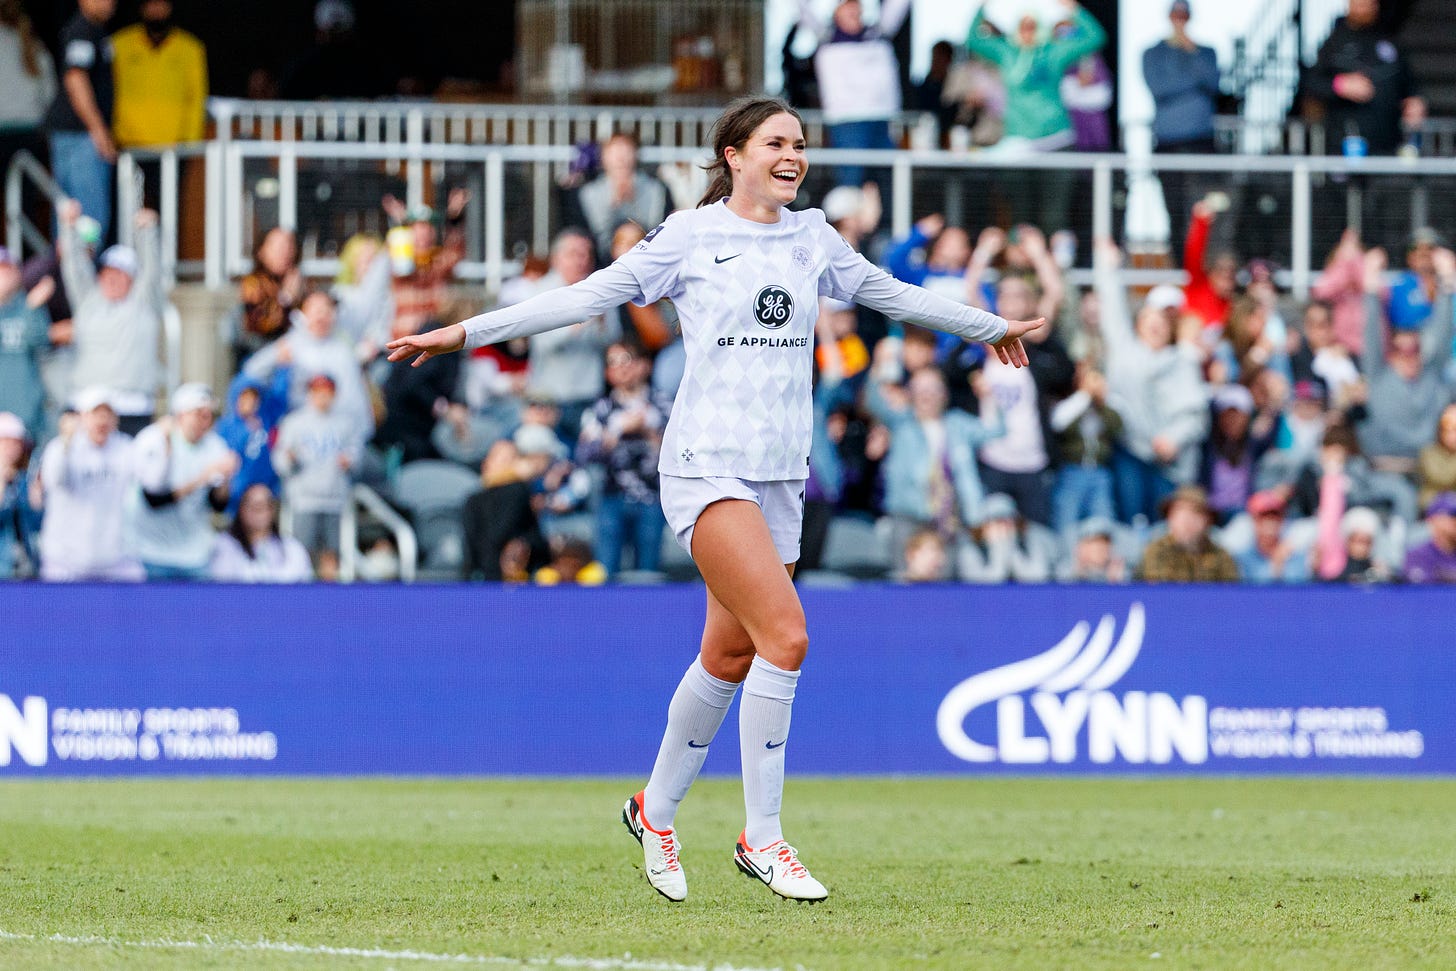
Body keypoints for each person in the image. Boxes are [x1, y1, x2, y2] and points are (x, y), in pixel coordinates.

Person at [386, 96, 1042, 904]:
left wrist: (985, 325)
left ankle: (653, 811)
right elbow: (584, 297)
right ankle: (761, 837)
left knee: (729, 655)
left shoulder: (812, 239)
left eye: (800, 143)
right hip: (706, 469)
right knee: (788, 636)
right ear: (734, 155)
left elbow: (893, 294)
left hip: (779, 476)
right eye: (776, 142)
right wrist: (462, 333)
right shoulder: (690, 238)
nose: (793, 155)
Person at [966, 0, 1106, 233]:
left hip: (1056, 141)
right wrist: (985, 5)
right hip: (1019, 143)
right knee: (1021, 216)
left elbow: (1095, 37)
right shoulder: (1006, 52)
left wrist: (1073, 8)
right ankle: (1021, 267)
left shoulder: (1053, 51)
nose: (1027, 31)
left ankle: (1055, 267)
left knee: (1054, 215)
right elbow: (973, 39)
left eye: (1033, 25)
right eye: (1023, 25)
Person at [59, 201, 163, 435]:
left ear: (132, 279)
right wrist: (69, 227)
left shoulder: (144, 304)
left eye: (120, 273)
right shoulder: (88, 302)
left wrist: (148, 233)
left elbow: (153, 271)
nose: (112, 279)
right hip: (85, 404)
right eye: (107, 272)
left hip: (132, 407)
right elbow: (74, 267)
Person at [1357, 246, 1454, 477]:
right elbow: (1371, 333)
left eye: (1414, 349)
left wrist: (1448, 281)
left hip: (1427, 470)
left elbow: (1442, 331)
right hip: (1382, 469)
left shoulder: (1432, 373)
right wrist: (1371, 284)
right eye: (1402, 349)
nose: (1409, 354)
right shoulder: (1379, 374)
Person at [577, 342, 672, 576]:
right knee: (605, 571)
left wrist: (648, 430)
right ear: (607, 373)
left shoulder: (663, 403)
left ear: (644, 365)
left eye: (626, 359)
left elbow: (680, 451)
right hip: (612, 497)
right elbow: (583, 454)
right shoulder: (601, 408)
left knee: (648, 573)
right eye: (613, 363)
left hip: (652, 497)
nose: (620, 368)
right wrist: (616, 431)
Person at [798, 0, 911, 192]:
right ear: (836, 12)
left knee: (889, 180)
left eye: (856, 7)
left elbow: (898, 6)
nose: (854, 11)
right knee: (850, 181)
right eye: (847, 7)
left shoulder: (877, 34)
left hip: (882, 119)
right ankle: (847, 222)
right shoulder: (827, 37)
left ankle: (888, 221)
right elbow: (802, 9)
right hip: (847, 121)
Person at [130, 383, 238, 581]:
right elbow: (154, 500)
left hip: (195, 553)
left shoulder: (215, 445)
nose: (205, 421)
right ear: (181, 414)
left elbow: (218, 505)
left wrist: (225, 480)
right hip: (153, 550)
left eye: (209, 415)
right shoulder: (154, 440)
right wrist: (201, 478)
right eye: (199, 414)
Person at [36, 387, 142, 581]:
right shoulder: (60, 447)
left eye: (107, 414)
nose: (102, 420)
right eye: (95, 414)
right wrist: (66, 440)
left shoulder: (126, 448)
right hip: (65, 559)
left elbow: (150, 483)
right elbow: (55, 481)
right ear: (81, 417)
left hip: (115, 558)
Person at [109, 0, 206, 207]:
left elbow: (197, 98)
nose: (156, 10)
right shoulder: (119, 44)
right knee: (124, 210)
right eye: (151, 4)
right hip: (129, 146)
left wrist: (189, 144)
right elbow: (108, 93)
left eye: (161, 4)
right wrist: (112, 136)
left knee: (169, 210)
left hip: (172, 149)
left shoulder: (190, 48)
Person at [1142, 0, 1220, 247]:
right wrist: (1193, 83)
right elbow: (1159, 88)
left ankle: (1202, 266)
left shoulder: (1205, 52)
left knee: (1202, 209)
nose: (1179, 20)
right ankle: (1179, 269)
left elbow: (1214, 82)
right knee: (1174, 209)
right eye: (1176, 15)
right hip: (1168, 141)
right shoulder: (1152, 53)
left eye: (1184, 16)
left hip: (1201, 140)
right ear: (1168, 17)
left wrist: (1191, 52)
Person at [1304, 0, 1424, 158]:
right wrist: (1341, 85)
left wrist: (1415, 101)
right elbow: (1310, 82)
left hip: (1387, 143)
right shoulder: (1334, 42)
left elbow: (1409, 84)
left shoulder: (1390, 40)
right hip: (1345, 143)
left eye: (1369, 3)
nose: (1365, 6)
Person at [272, 373, 363, 570]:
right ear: (310, 394)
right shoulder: (294, 422)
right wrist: (289, 460)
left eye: (327, 392)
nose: (322, 397)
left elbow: (356, 457)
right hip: (303, 499)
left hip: (335, 499)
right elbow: (280, 460)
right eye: (318, 392)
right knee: (301, 553)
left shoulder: (345, 424)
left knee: (333, 554)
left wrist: (350, 462)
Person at [44, 0, 116, 241]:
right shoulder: (82, 30)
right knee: (87, 212)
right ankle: (81, 273)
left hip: (75, 134)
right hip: (79, 135)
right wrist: (98, 130)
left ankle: (68, 272)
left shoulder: (95, 30)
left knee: (71, 212)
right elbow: (75, 79)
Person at [572, 133, 670, 262]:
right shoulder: (590, 192)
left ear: (635, 155)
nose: (621, 158)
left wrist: (632, 199)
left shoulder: (654, 189)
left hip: (645, 252)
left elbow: (653, 226)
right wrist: (613, 203)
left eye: (626, 151)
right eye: (614, 152)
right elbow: (597, 233)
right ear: (603, 158)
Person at [0, 0, 56, 213]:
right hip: (30, 137)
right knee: (24, 207)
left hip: (5, 132)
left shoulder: (31, 45)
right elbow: (50, 96)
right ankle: (22, 247)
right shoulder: (34, 45)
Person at [0, 247, 54, 440]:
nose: (3, 275)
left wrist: (31, 308)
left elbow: (41, 341)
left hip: (27, 410)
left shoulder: (28, 304)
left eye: (6, 269)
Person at [210, 482, 313, 583]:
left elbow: (306, 588)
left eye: (264, 506)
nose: (259, 512)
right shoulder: (226, 545)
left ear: (272, 510)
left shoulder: (292, 548)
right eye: (254, 506)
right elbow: (221, 589)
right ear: (241, 509)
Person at [1138, 484, 1239, 582]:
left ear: (1208, 520)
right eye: (1180, 512)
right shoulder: (1156, 551)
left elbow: (1231, 594)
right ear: (1170, 517)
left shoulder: (1221, 556)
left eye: (1196, 512)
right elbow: (1160, 593)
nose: (1187, 519)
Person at [233, 227, 302, 365]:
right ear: (261, 252)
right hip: (260, 357)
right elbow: (258, 327)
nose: (285, 252)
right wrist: (286, 299)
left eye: (289, 246)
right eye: (278, 247)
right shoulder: (253, 284)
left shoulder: (299, 282)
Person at [1233, 489, 1311, 583]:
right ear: (1253, 521)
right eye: (1263, 517)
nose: (1270, 523)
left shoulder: (1296, 556)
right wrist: (1276, 564)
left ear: (1282, 520)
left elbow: (1300, 590)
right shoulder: (1242, 557)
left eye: (1275, 517)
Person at [0, 411, 41, 578]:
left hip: (26, 566)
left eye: (16, 443)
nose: (11, 448)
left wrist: (36, 500)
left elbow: (35, 524)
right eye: (6, 442)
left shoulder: (25, 480)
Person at [1404, 491, 1456, 584]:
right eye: (1453, 515)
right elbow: (1422, 591)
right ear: (1433, 519)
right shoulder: (1419, 555)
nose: (1454, 521)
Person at [1418, 404, 1456, 512]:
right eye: (1448, 429)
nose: (1452, 435)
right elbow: (1442, 478)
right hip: (1433, 503)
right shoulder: (1429, 453)